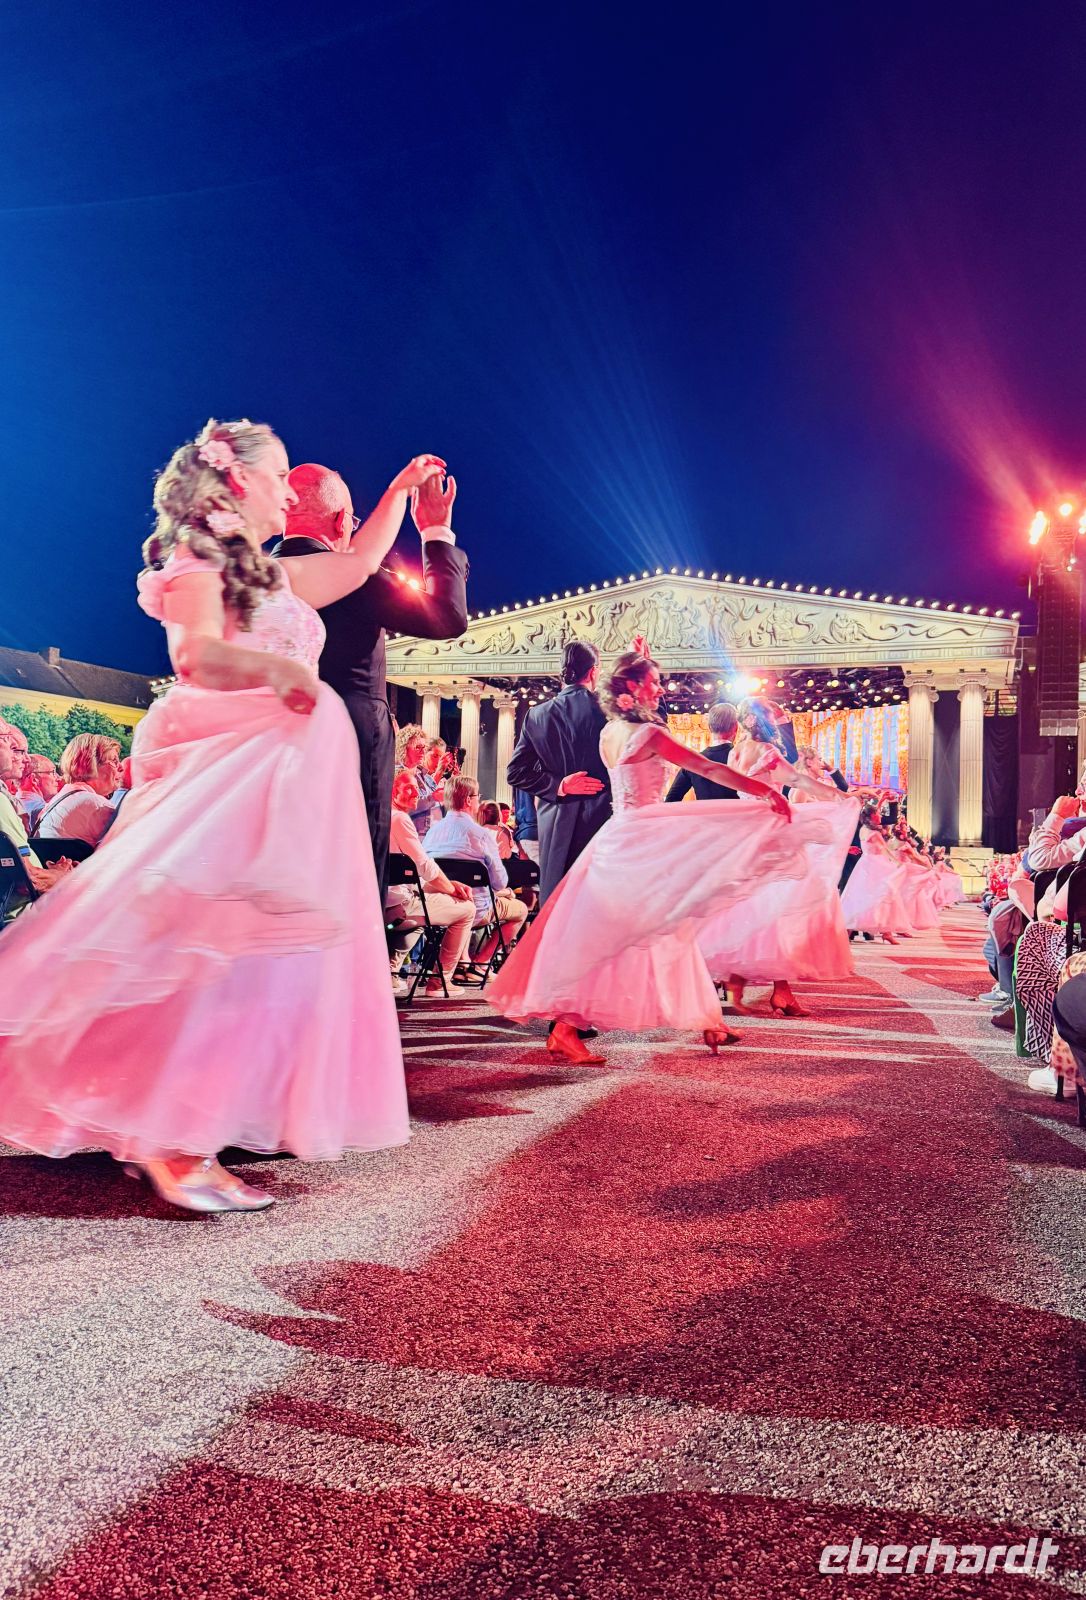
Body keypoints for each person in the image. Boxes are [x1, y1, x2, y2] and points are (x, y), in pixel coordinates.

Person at [0, 418, 441, 1213]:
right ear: (239, 484)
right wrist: (277, 670)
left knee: (240, 954)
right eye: (277, 477)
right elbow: (194, 656)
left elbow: (363, 562)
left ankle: (166, 1129)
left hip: (272, 767)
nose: (286, 492)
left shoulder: (270, 579)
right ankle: (171, 1142)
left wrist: (402, 496)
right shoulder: (196, 558)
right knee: (200, 946)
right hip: (224, 765)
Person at [489, 647, 860, 1066]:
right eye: (654, 682)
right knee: (633, 934)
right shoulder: (648, 735)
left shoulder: (609, 732)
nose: (661, 688)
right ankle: (565, 1029)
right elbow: (709, 769)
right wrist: (765, 790)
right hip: (646, 839)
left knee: (667, 926)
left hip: (620, 835)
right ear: (633, 687)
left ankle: (707, 1020)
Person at [273, 460, 467, 900]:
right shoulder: (346, 576)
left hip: (269, 749)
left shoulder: (254, 579)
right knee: (349, 876)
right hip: (350, 748)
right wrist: (436, 532)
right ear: (342, 521)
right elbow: (448, 618)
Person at [699, 696, 859, 1017]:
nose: (775, 722)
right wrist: (842, 796)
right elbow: (799, 780)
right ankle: (774, 992)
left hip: (745, 834)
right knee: (779, 910)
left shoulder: (736, 751)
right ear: (757, 720)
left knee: (754, 910)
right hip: (769, 834)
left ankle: (776, 992)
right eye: (771, 716)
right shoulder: (767, 752)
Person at [507, 639, 611, 904]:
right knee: (597, 905)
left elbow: (516, 773)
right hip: (602, 823)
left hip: (554, 827)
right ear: (594, 671)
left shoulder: (537, 715)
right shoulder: (607, 712)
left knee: (557, 904)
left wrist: (559, 785)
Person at [425, 774, 528, 971]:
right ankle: (481, 963)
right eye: (477, 796)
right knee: (521, 910)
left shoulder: (432, 832)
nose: (479, 801)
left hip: (440, 907)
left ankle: (464, 962)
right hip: (476, 909)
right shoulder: (480, 834)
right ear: (468, 800)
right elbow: (499, 882)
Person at [386, 769, 475, 996]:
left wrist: (449, 884)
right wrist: (452, 889)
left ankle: (390, 971)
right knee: (467, 909)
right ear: (393, 791)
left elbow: (414, 876)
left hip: (383, 902)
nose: (416, 792)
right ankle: (440, 982)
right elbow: (424, 867)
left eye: (417, 788)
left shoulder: (379, 818)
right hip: (397, 907)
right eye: (409, 788)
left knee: (427, 904)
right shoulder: (399, 819)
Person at [0, 735, 73, 902]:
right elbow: (27, 882)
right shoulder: (1, 802)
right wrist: (63, 875)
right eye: (6, 740)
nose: (26, 759)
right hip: (20, 917)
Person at [839, 803, 913, 943]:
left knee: (862, 897)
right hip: (876, 866)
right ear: (872, 816)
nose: (880, 816)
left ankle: (881, 932)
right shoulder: (874, 833)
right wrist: (896, 862)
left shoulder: (863, 830)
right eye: (878, 813)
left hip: (865, 864)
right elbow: (885, 850)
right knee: (882, 895)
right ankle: (885, 933)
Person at [33, 733, 123, 848]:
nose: (121, 767)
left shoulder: (60, 799)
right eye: (114, 761)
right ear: (90, 765)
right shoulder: (97, 806)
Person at [665, 702, 740, 802]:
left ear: (709, 727)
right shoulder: (743, 758)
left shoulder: (692, 762)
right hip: (737, 817)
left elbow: (671, 799)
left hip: (703, 817)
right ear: (736, 727)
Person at [396, 723, 439, 839]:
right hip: (407, 835)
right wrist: (433, 797)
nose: (422, 751)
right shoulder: (397, 775)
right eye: (417, 747)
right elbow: (401, 809)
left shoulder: (427, 778)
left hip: (430, 837)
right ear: (404, 748)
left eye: (424, 747)